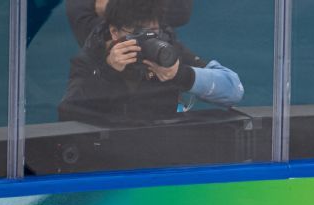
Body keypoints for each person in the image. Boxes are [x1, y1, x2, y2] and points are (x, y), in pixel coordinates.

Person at [57, 0, 241, 125]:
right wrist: (108, 73)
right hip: (111, 153)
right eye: (137, 33)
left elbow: (234, 90)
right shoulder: (93, 57)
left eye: (152, 31)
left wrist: (181, 75)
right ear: (114, 32)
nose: (146, 40)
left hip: (163, 149)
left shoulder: (166, 48)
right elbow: (67, 114)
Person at [66, 0, 194, 47]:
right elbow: (91, 36)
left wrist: (113, 6)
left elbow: (181, 13)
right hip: (108, 80)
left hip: (161, 64)